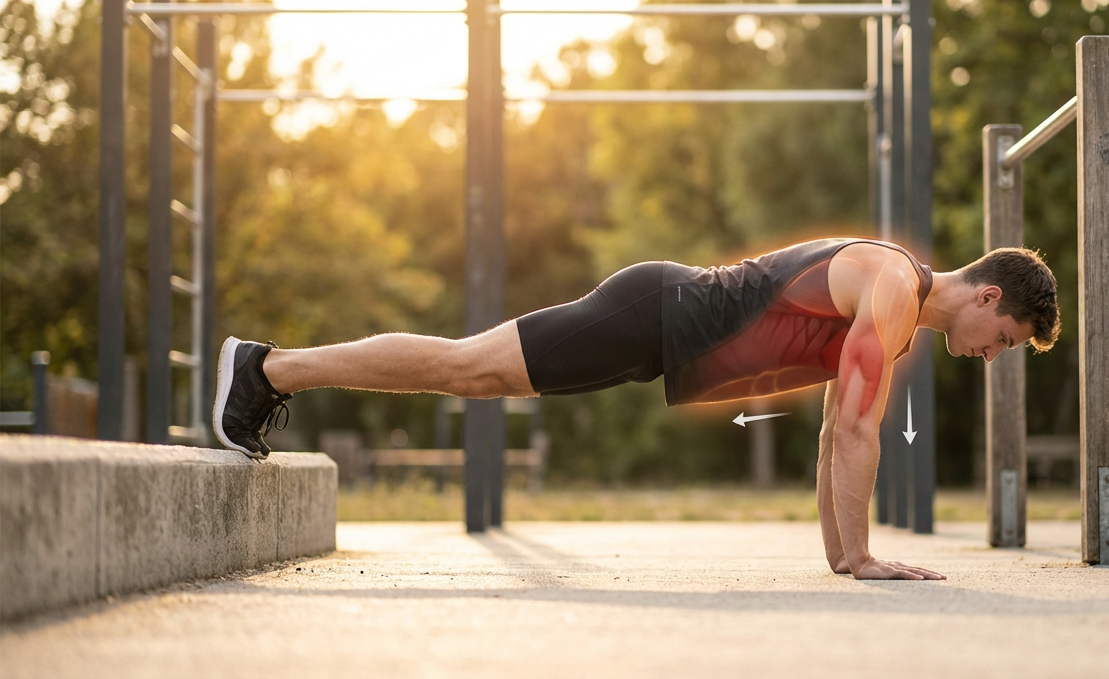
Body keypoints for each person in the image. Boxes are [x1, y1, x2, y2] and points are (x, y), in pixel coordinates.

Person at [213, 237, 1060, 580]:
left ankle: (270, 372)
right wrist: (868, 559)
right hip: (655, 313)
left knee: (473, 371)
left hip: (657, 331)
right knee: (470, 367)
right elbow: (858, 430)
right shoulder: (890, 286)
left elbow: (839, 434)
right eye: (1008, 338)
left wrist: (849, 558)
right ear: (988, 298)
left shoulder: (898, 312)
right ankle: (270, 368)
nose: (996, 355)